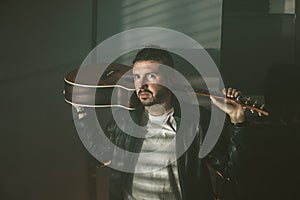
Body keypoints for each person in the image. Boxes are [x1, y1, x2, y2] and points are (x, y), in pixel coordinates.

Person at [74, 47, 247, 200]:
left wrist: (237, 118)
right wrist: (82, 113)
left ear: (170, 79)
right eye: (137, 77)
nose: (141, 85)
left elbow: (231, 170)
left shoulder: (197, 121)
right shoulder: (124, 120)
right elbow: (98, 159)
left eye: (151, 76)